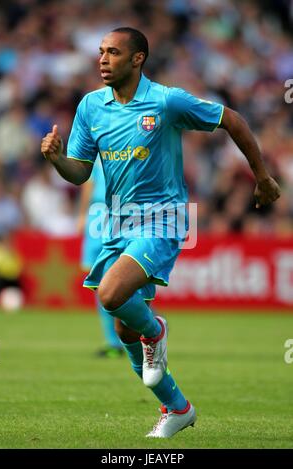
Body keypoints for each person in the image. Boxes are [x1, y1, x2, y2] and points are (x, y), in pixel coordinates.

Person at [41, 27, 280, 438]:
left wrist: (261, 177)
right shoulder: (91, 107)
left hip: (163, 220)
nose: (102, 59)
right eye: (100, 51)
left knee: (112, 295)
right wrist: (59, 159)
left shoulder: (167, 101)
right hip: (116, 225)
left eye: (113, 52)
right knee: (122, 327)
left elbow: (232, 120)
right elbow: (80, 173)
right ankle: (177, 408)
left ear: (137, 60)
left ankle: (157, 330)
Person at [77, 157, 124, 357]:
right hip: (97, 213)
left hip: (120, 210)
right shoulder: (95, 147)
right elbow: (89, 182)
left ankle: (118, 339)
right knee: (99, 279)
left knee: (114, 277)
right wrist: (82, 214)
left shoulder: (125, 140)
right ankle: (143, 318)